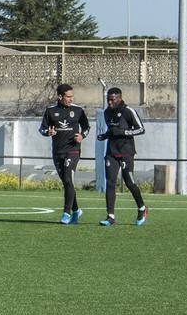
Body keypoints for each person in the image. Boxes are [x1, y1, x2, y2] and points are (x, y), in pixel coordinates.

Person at [39, 84, 90, 224]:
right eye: (68, 96)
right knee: (67, 183)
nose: (70, 99)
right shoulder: (50, 111)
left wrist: (82, 136)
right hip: (57, 151)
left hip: (73, 150)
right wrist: (48, 132)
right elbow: (42, 129)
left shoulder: (78, 110)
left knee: (68, 179)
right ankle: (77, 210)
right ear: (60, 97)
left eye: (72, 96)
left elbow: (86, 127)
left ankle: (66, 213)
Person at [97, 87, 148, 227]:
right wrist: (104, 136)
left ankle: (142, 208)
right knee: (110, 183)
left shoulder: (128, 111)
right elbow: (111, 131)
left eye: (112, 99)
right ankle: (110, 217)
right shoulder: (106, 112)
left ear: (119, 98)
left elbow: (141, 129)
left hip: (126, 152)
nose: (109, 102)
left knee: (129, 182)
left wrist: (124, 132)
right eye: (108, 99)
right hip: (111, 153)